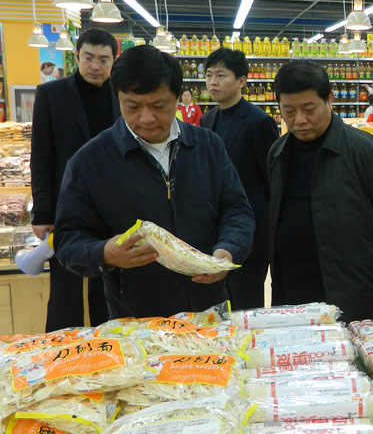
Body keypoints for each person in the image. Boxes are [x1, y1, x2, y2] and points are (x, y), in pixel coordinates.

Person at [54, 45, 255, 320]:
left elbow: (237, 209)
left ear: (178, 97)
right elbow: (67, 241)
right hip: (137, 319)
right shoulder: (90, 161)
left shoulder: (208, 146)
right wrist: (104, 254)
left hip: (209, 308)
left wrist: (229, 250)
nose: (146, 118)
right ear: (118, 98)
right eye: (132, 106)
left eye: (159, 106)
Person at [268, 60, 373, 322]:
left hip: (352, 296)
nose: (299, 120)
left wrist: (365, 260)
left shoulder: (364, 150)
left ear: (329, 100)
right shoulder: (278, 152)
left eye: (308, 109)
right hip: (292, 293)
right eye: (288, 111)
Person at [31, 28, 120, 331]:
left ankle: (109, 345)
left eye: (103, 60)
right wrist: (43, 212)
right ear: (77, 57)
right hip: (66, 205)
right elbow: (42, 155)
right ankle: (60, 348)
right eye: (89, 58)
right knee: (65, 290)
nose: (95, 66)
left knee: (108, 287)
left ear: (113, 61)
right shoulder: (51, 94)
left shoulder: (122, 95)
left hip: (111, 206)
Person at [201, 48, 279, 309]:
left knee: (246, 302)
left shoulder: (259, 122)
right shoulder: (207, 119)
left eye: (221, 75)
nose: (213, 82)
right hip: (216, 227)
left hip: (251, 232)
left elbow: (271, 180)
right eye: (209, 75)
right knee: (218, 301)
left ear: (241, 81)